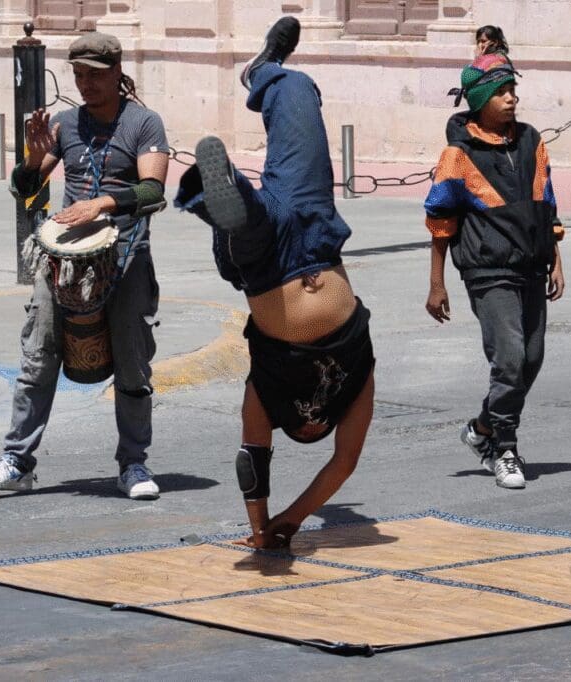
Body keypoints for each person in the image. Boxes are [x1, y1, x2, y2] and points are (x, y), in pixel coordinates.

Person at [175, 17, 375, 549]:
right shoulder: (353, 388)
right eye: (317, 429)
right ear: (322, 423)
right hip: (316, 237)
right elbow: (345, 463)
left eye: (302, 430)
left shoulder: (267, 396)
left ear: (293, 424)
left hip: (264, 269)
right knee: (300, 94)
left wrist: (264, 526)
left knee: (247, 224)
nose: (311, 429)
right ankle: (266, 73)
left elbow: (251, 458)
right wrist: (296, 518)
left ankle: (226, 198)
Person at [0, 32, 169, 499]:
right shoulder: (64, 124)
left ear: (116, 72)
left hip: (125, 256)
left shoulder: (145, 123)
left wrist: (100, 204)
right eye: (78, 75)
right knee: (37, 358)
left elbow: (153, 192)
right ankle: (17, 460)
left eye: (94, 76)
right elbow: (24, 189)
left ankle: (134, 465)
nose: (84, 85)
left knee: (133, 365)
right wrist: (33, 159)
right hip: (62, 261)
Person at [425, 53, 565, 490]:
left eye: (513, 91)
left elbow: (546, 200)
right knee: (509, 358)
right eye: (502, 93)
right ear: (481, 100)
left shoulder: (530, 140)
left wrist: (556, 257)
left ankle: (482, 428)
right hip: (487, 270)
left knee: (531, 359)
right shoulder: (458, 154)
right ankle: (504, 448)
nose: (511, 99)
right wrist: (436, 283)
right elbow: (440, 221)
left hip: (530, 263)